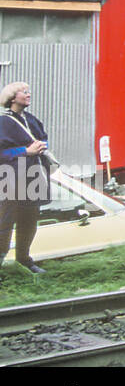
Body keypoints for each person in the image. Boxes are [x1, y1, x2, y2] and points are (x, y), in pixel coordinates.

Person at [0, 82, 51, 274]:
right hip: (11, 180)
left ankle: (24, 259)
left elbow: (43, 138)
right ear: (12, 98)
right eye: (24, 92)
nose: (29, 95)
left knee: (29, 222)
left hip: (33, 178)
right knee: (5, 223)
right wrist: (25, 151)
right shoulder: (3, 122)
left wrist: (41, 146)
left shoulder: (32, 119)